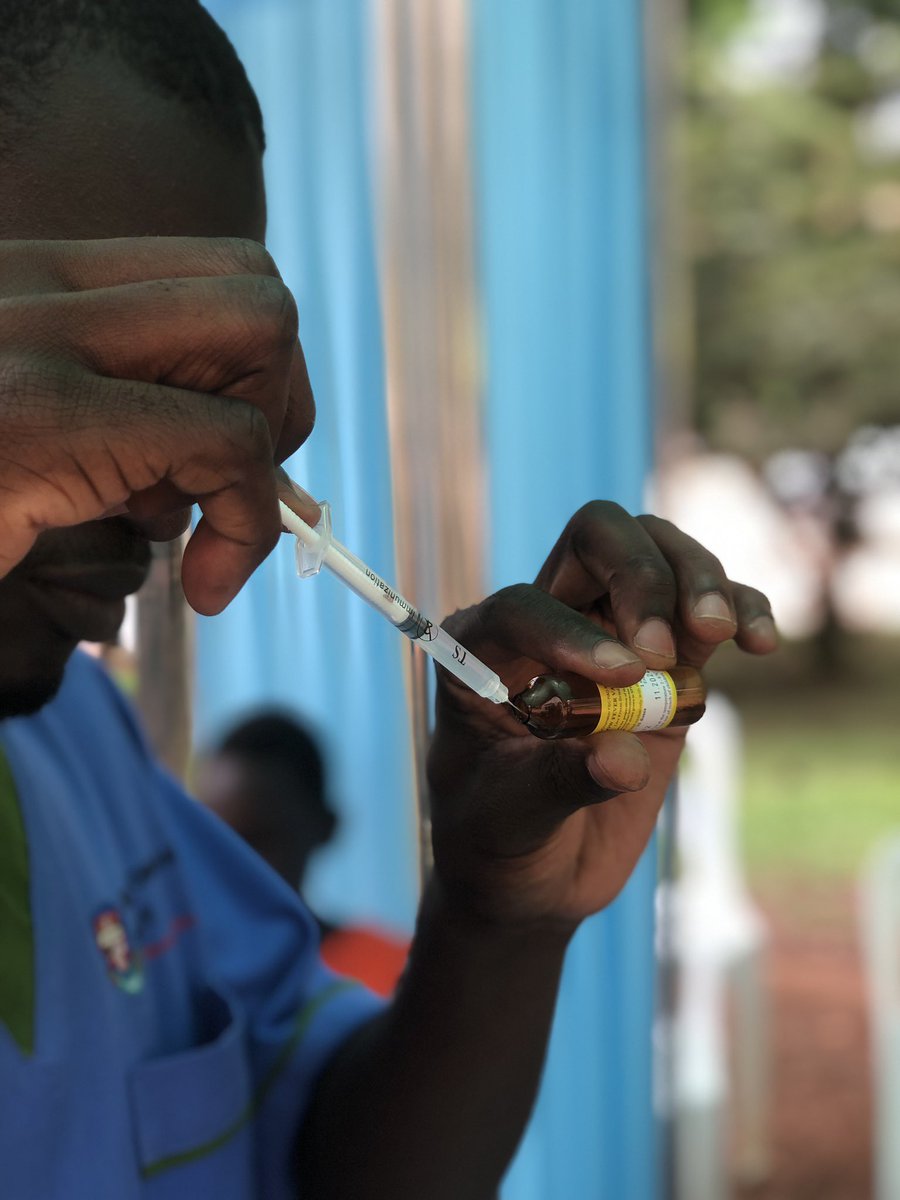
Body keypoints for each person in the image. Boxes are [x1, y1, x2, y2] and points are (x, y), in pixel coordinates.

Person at [0, 2, 778, 1197]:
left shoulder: (74, 750)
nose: (166, 505)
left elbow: (332, 1166)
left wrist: (495, 922)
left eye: (195, 401)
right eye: (93, 374)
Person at [196, 711, 409, 996]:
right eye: (217, 844)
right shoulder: (181, 979)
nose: (237, 866)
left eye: (259, 840)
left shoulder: (394, 976)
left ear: (325, 827)